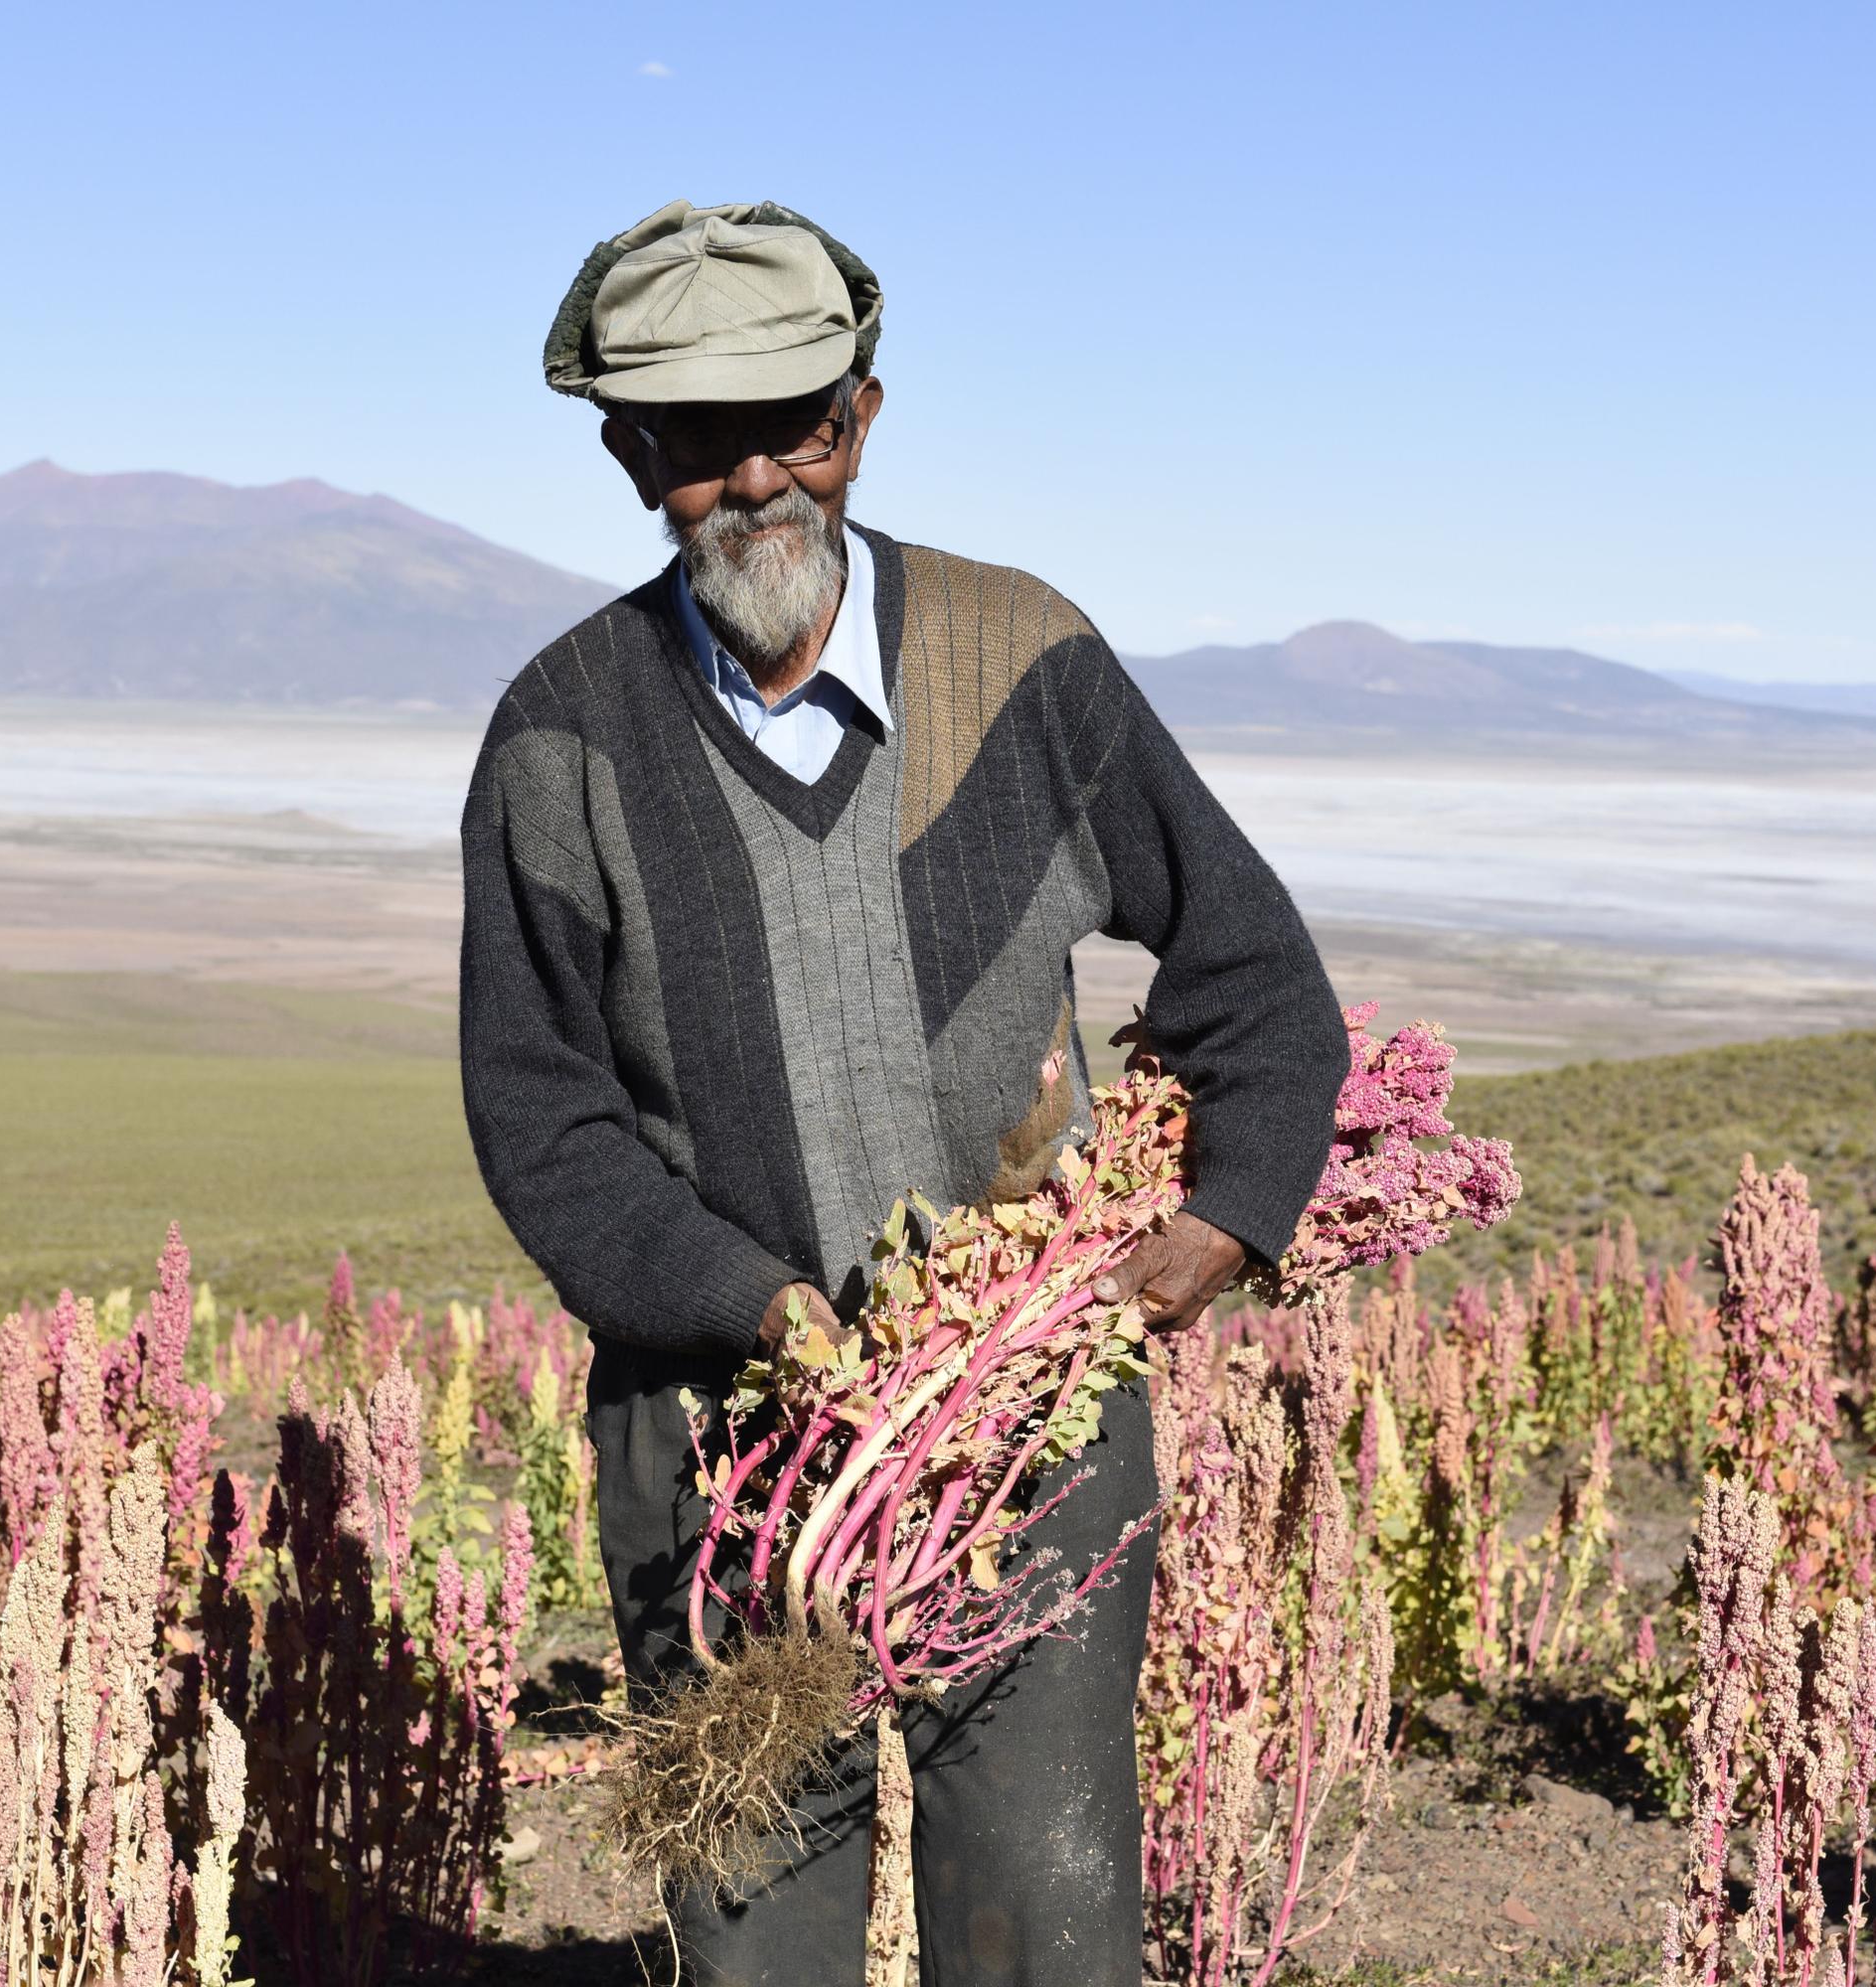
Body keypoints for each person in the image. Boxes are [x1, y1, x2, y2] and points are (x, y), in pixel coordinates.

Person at [459, 198, 1351, 1987]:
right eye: (696, 443)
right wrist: (755, 1306)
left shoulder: (1020, 663)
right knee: (757, 1937)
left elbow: (1255, 969)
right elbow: (542, 1120)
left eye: (794, 425)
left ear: (863, 419)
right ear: (631, 457)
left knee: (1046, 1917)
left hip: (1022, 1424)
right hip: (724, 1442)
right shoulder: (562, 733)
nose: (756, 479)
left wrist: (1221, 1221)